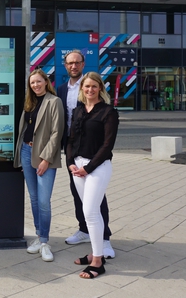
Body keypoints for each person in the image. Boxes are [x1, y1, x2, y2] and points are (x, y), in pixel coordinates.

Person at [57, 50, 115, 259]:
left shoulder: (92, 87)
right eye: (70, 63)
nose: (73, 66)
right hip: (73, 148)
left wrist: (89, 165)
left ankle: (105, 239)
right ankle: (83, 230)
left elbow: (108, 141)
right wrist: (69, 157)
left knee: (97, 198)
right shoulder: (61, 89)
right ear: (65, 65)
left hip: (93, 148)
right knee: (77, 193)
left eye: (77, 63)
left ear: (83, 64)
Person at [67, 72, 119, 279]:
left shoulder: (108, 112)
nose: (90, 90)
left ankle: (98, 263)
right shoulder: (78, 110)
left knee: (89, 211)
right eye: (86, 86)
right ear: (82, 89)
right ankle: (96, 253)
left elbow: (107, 146)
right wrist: (70, 163)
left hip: (98, 166)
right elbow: (70, 140)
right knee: (91, 212)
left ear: (100, 89)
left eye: (94, 87)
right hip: (77, 166)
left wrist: (88, 168)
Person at [13, 69, 64, 262]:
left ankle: (45, 241)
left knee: (44, 201)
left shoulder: (54, 101)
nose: (35, 85)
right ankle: (38, 235)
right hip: (26, 152)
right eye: (32, 83)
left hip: (43, 156)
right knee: (34, 198)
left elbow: (56, 133)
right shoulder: (30, 102)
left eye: (38, 82)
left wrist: (46, 159)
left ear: (46, 81)